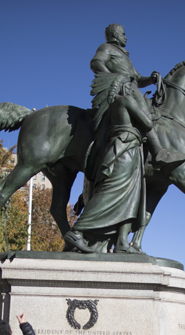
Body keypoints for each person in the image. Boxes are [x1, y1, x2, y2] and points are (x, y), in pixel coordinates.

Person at [64, 78, 152, 254]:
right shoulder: (125, 101)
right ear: (124, 88)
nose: (135, 92)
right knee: (111, 192)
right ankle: (77, 231)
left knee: (131, 197)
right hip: (125, 150)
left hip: (124, 149)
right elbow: (148, 123)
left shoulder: (111, 107)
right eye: (131, 88)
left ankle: (121, 242)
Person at [89, 24, 184, 170]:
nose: (125, 37)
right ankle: (157, 151)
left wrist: (151, 79)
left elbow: (138, 79)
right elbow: (96, 62)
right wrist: (116, 78)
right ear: (115, 36)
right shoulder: (106, 47)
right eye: (123, 34)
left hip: (131, 86)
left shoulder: (124, 55)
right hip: (124, 89)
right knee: (144, 110)